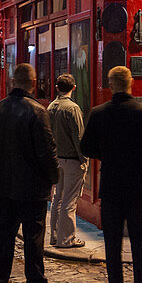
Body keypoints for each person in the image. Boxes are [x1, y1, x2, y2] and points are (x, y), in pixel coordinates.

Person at [81, 66, 142, 283]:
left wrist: (107, 155)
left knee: (112, 242)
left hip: (111, 185)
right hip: (138, 184)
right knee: (141, 242)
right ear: (131, 82)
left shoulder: (98, 113)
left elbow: (86, 147)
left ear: (110, 84)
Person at [0, 63, 59, 283]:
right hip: (32, 186)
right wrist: (53, 177)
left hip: (5, 184)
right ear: (34, 83)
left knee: (2, 233)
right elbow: (47, 152)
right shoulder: (38, 112)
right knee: (33, 237)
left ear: (12, 82)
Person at [47, 74, 87, 249]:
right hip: (72, 160)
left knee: (57, 199)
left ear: (57, 87)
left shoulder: (50, 107)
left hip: (57, 159)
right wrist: (84, 159)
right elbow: (78, 137)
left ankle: (55, 236)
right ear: (74, 87)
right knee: (70, 201)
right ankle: (67, 239)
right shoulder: (73, 109)